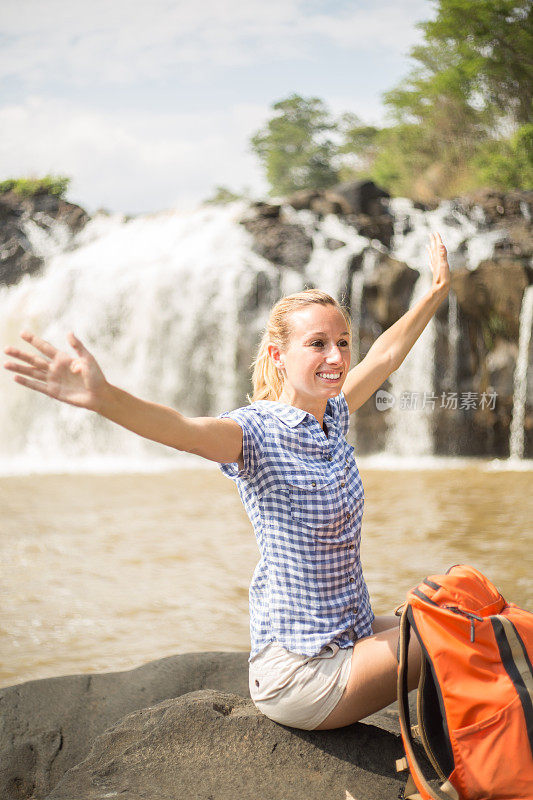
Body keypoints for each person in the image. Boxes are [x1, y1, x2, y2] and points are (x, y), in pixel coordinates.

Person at [3, 232, 450, 731]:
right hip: (303, 671)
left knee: (460, 608)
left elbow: (384, 358)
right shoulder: (253, 432)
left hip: (347, 633)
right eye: (317, 344)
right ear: (279, 356)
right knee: (448, 638)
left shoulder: (334, 414)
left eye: (342, 342)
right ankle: (460, 763)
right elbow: (182, 431)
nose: (336, 356)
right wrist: (104, 397)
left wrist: (432, 294)